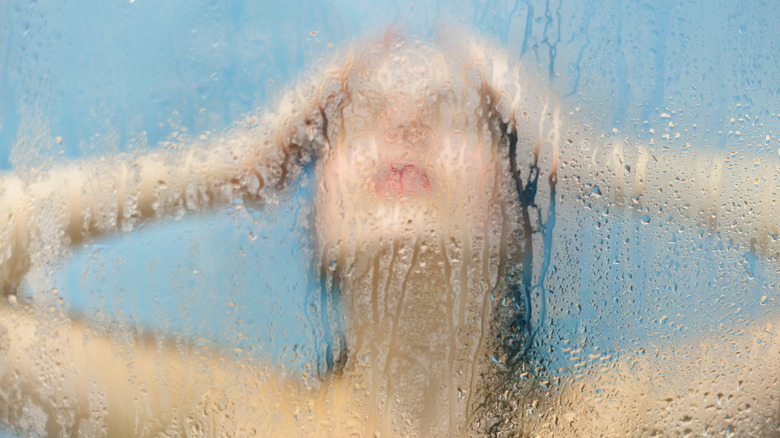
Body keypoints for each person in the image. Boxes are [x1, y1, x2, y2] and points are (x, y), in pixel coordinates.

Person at [0, 29, 778, 437]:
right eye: (357, 122)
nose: (403, 125)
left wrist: (602, 162)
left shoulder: (616, 423)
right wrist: (233, 163)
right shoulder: (225, 418)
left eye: (457, 120)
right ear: (315, 214)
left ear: (522, 220)